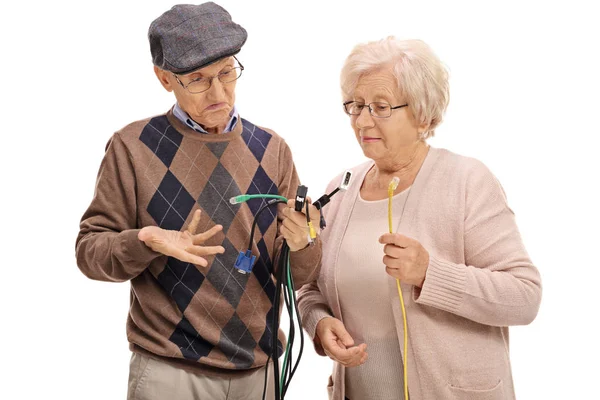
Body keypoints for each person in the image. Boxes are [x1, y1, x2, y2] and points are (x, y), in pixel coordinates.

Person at [75, 3, 321, 399]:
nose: (219, 92)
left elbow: (298, 275)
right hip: (170, 371)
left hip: (259, 370)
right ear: (164, 79)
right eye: (198, 80)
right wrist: (144, 241)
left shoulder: (272, 149)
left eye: (227, 72)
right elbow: (89, 252)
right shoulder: (132, 148)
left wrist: (303, 242)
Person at [297, 37, 542, 400]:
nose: (362, 120)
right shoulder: (341, 191)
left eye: (381, 107)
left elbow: (524, 296)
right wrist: (318, 323)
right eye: (356, 105)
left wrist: (430, 274)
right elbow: (310, 287)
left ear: (424, 115)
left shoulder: (466, 181)